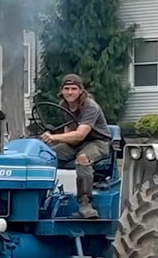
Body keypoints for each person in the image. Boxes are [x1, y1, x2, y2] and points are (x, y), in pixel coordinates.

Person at [39, 74, 111, 219]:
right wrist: (51, 141)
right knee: (45, 157)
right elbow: (70, 134)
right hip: (76, 144)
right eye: (66, 89)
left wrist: (54, 137)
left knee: (83, 158)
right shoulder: (63, 106)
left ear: (80, 91)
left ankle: (86, 205)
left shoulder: (90, 106)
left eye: (73, 88)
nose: (70, 92)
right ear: (61, 91)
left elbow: (79, 135)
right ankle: (40, 199)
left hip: (98, 143)